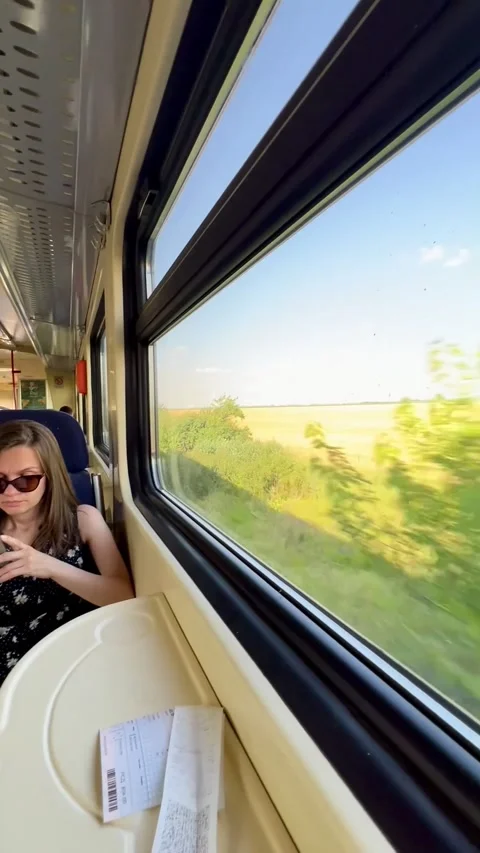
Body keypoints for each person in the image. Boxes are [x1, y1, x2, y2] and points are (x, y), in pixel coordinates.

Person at [0, 420, 134, 683]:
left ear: (50, 477)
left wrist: (49, 566)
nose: (10, 492)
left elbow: (122, 595)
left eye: (26, 480)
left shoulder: (83, 520)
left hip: (72, 655)